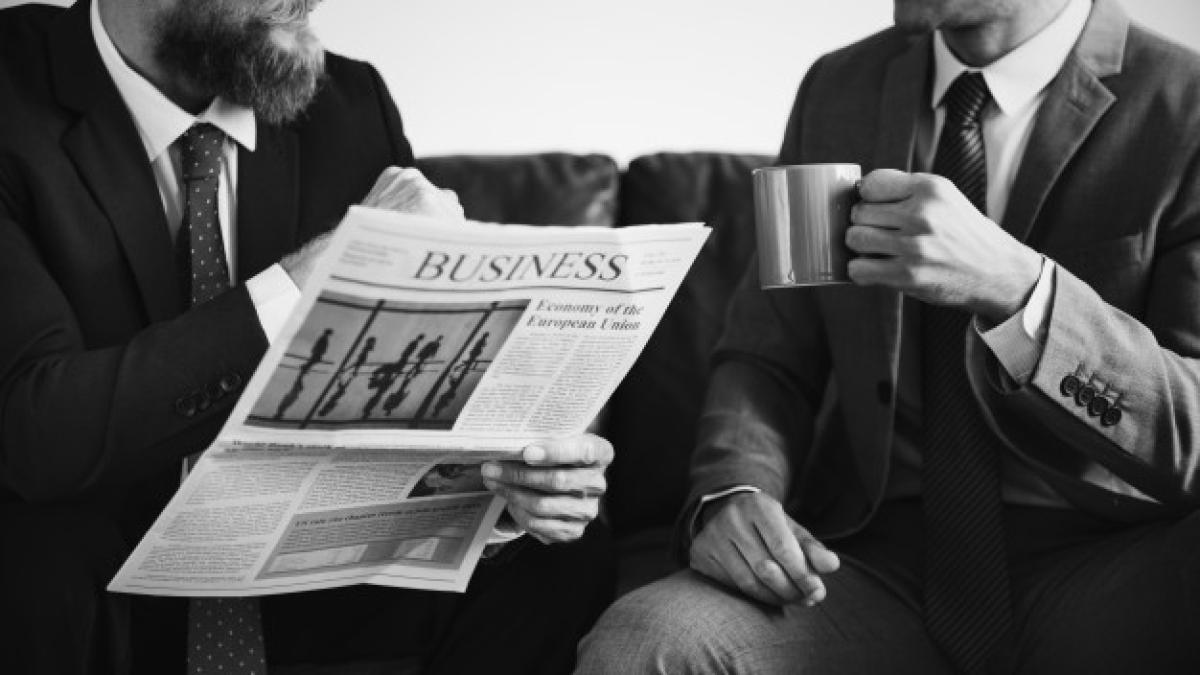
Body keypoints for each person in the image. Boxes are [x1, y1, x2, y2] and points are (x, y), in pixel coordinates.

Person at [578, 0, 1200, 672]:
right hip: (868, 561)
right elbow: (768, 352)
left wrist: (1024, 291)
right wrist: (735, 489)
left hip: (1103, 565)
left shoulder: (1186, 106)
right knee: (645, 645)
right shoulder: (840, 88)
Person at [0, 1, 613, 673]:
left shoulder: (351, 105)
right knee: (39, 552)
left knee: (562, 551)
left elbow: (423, 392)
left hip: (307, 573)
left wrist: (509, 485)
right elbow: (32, 427)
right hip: (101, 580)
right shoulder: (14, 88)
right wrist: (302, 282)